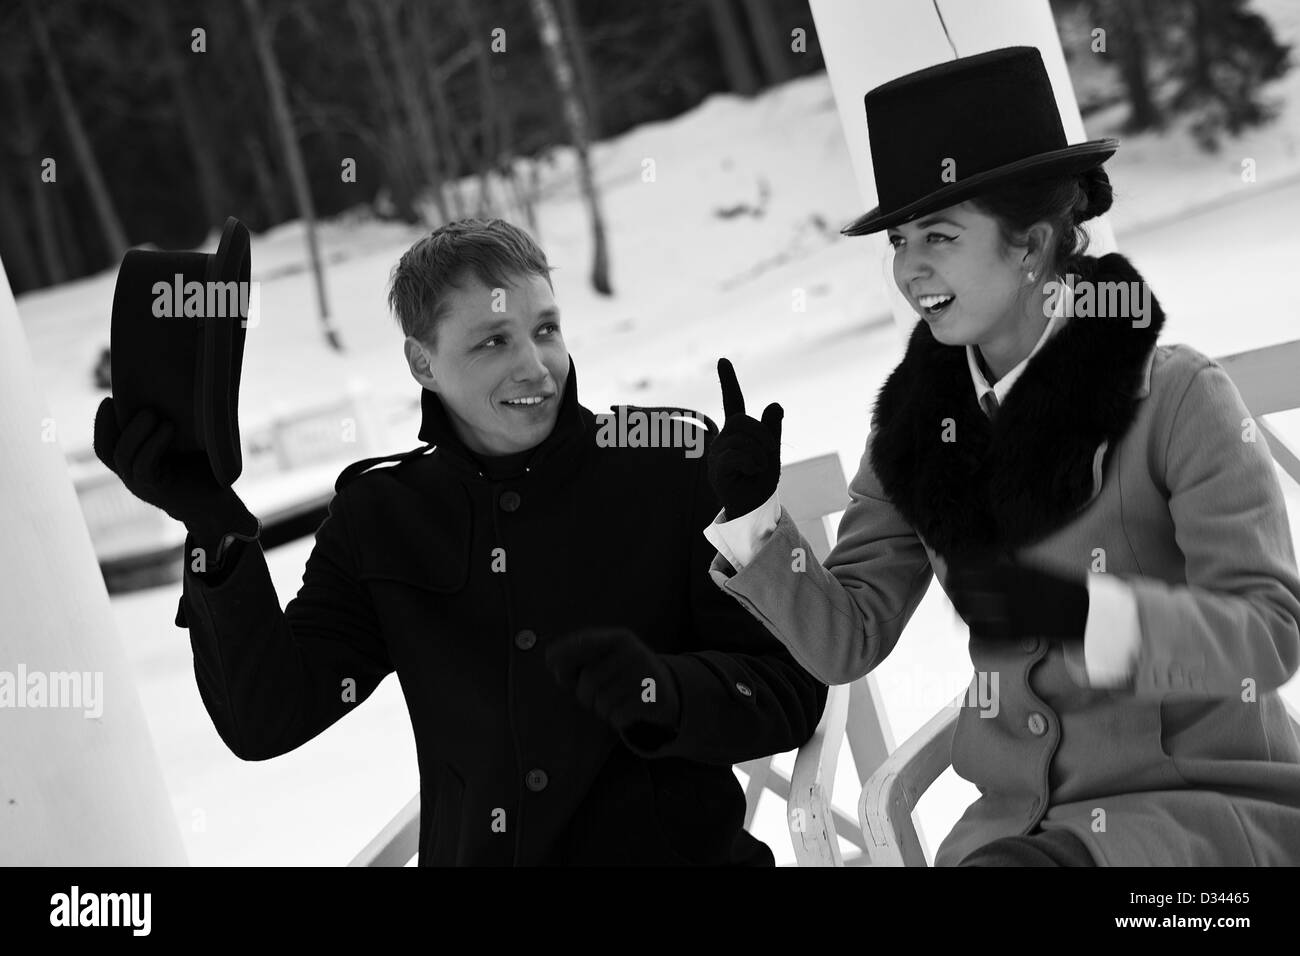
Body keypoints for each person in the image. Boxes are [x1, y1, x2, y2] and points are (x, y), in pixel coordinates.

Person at [703, 47, 1300, 866]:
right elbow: (851, 640)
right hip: (1015, 831)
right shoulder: (917, 435)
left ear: (1031, 245)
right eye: (901, 239)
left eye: (940, 236)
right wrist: (755, 520)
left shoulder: (1178, 397)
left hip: (1200, 818)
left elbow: (1266, 633)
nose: (910, 268)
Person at [93, 218, 826, 866]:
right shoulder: (381, 517)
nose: (535, 367)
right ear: (422, 364)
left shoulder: (667, 464)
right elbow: (266, 718)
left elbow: (792, 691)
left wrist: (662, 692)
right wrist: (215, 535)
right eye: (492, 342)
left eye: (546, 328)